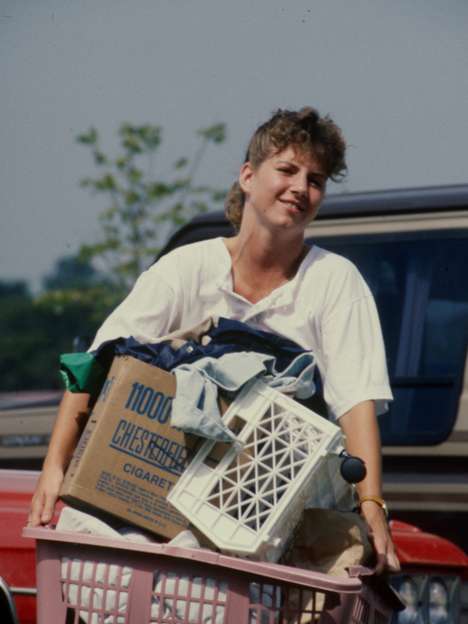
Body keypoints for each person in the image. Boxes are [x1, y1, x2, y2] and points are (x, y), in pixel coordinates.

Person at [29, 107, 400, 573]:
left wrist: (372, 508)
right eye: (287, 169)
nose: (300, 188)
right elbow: (92, 366)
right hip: (167, 488)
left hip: (277, 508)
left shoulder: (335, 281)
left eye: (316, 179)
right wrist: (53, 468)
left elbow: (356, 402)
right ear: (248, 176)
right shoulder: (186, 269)